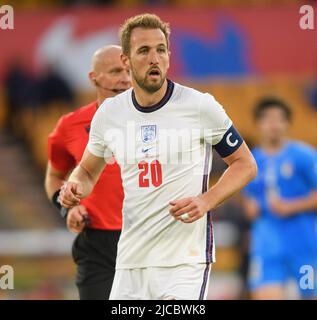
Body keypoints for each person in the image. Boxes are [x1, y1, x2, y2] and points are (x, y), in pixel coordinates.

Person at [59, 13, 257, 300]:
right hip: (130, 262)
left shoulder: (199, 106)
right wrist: (75, 186)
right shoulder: (111, 114)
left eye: (160, 49)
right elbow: (88, 172)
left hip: (183, 261)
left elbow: (245, 164)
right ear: (126, 61)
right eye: (144, 50)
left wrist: (206, 200)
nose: (154, 58)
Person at [45, 45, 131, 300]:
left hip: (147, 236)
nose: (125, 78)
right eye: (115, 71)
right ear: (93, 78)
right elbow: (53, 176)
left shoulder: (156, 121)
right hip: (97, 245)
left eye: (128, 70)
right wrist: (68, 209)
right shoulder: (70, 125)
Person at [242, 98, 317, 300]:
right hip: (267, 245)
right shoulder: (249, 161)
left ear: (287, 123)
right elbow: (248, 198)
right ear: (258, 123)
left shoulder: (304, 156)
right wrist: (250, 207)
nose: (273, 125)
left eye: (279, 119)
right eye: (267, 119)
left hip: (303, 243)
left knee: (309, 295)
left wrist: (292, 206)